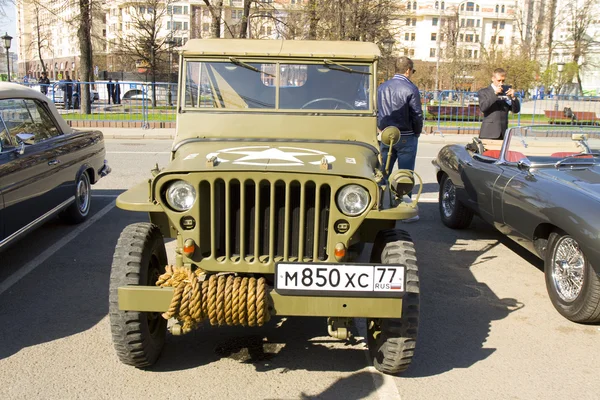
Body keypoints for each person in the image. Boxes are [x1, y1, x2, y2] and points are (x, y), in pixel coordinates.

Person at [477, 68, 520, 140]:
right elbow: (483, 107)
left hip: (503, 133)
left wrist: (513, 98)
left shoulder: (506, 91)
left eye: (503, 81)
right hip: (489, 133)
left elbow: (516, 110)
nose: (501, 83)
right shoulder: (484, 92)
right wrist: (495, 94)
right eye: (499, 80)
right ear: (493, 79)